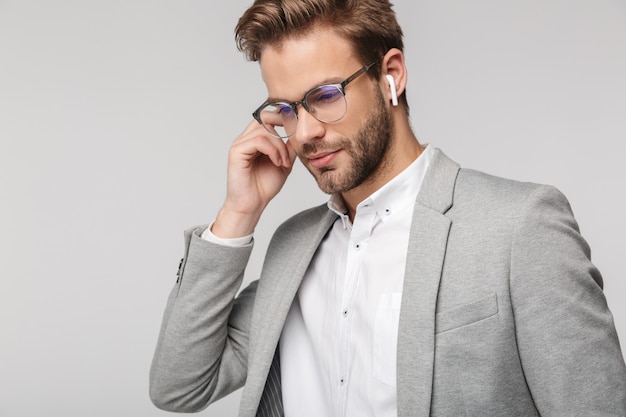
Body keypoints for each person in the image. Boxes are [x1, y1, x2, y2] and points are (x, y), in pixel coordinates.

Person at [149, 0, 626, 416]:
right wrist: (238, 213)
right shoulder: (291, 248)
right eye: (288, 110)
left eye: (325, 96)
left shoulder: (519, 225)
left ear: (390, 75)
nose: (304, 133)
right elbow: (180, 385)